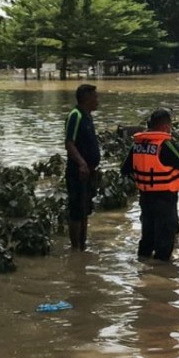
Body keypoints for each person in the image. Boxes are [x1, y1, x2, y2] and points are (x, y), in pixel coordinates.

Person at [120, 108, 179, 261]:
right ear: (165, 126)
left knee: (147, 238)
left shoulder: (137, 144)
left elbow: (125, 169)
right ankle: (162, 277)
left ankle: (142, 270)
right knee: (165, 241)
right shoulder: (165, 144)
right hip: (165, 198)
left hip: (145, 197)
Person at [65, 84, 101, 251]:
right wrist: (82, 164)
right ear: (86, 98)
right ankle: (75, 248)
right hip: (77, 171)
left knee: (85, 208)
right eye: (95, 97)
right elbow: (69, 143)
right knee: (76, 210)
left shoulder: (88, 116)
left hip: (88, 171)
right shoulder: (75, 115)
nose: (97, 100)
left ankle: (82, 246)